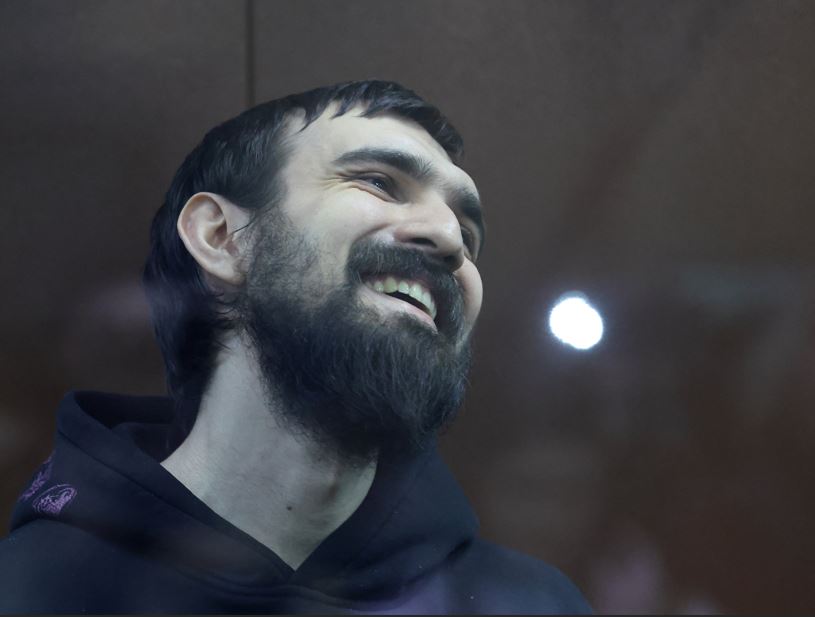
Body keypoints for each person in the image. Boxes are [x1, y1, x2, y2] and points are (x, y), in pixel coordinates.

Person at [0, 80, 591, 613]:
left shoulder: (534, 604)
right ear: (221, 237)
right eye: (379, 182)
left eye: (466, 232)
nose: (448, 240)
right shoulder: (29, 590)